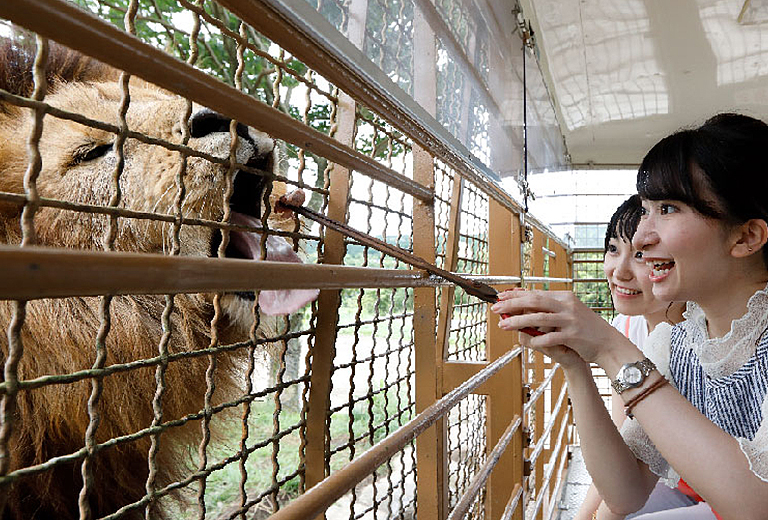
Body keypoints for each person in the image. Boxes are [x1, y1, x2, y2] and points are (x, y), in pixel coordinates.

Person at [492, 113, 768, 520]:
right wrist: (575, 364)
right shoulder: (678, 344)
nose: (641, 236)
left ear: (746, 236)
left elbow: (758, 505)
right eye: (647, 210)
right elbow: (626, 494)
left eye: (668, 209)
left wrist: (611, 348)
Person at [575, 195, 690, 520]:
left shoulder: (699, 337)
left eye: (640, 254)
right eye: (613, 249)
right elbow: (624, 443)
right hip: (662, 481)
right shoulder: (625, 327)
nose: (619, 272)